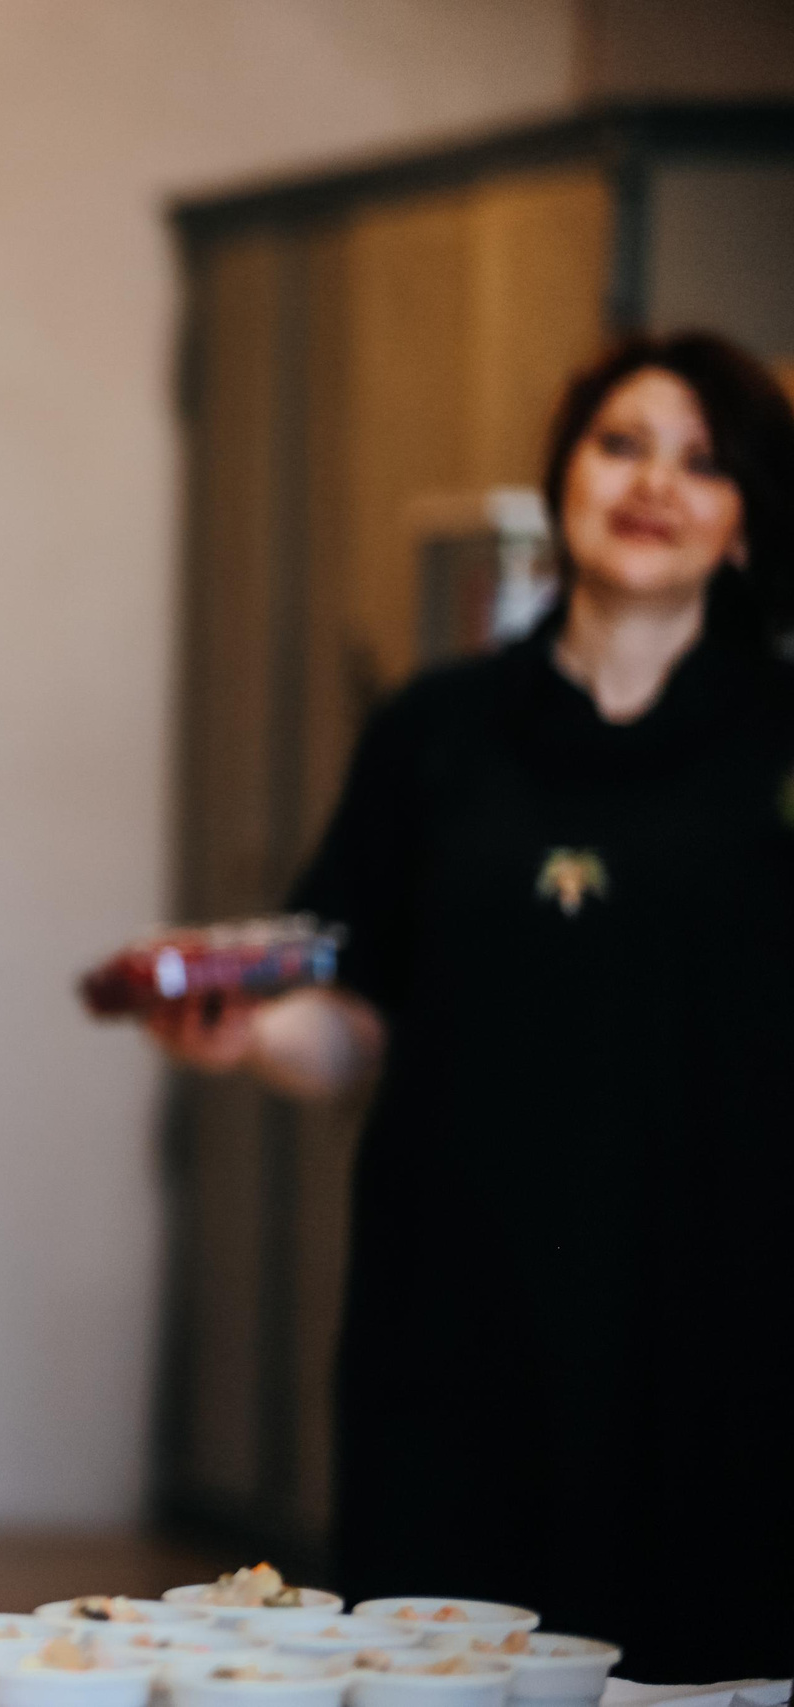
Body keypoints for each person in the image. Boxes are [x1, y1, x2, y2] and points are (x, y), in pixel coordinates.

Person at [146, 332, 794, 1680]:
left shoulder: (776, 739)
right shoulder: (434, 732)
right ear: (563, 476)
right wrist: (247, 1029)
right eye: (621, 444)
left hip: (720, 1325)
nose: (653, 483)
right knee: (447, 1665)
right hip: (458, 1316)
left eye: (702, 462)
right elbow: (351, 1018)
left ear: (745, 523)